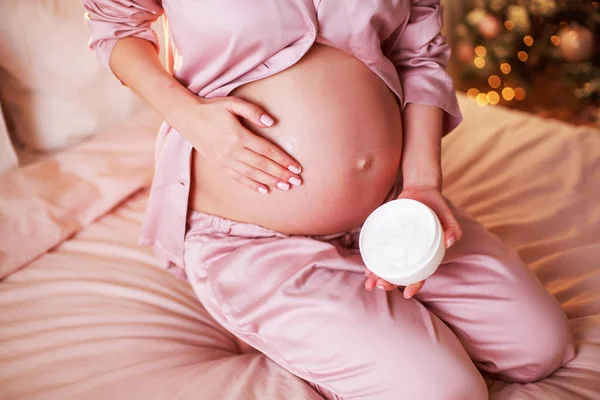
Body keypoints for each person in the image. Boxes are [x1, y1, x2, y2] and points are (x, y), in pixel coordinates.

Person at [81, 1, 575, 398]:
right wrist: (190, 116)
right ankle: (271, 312)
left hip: (389, 213)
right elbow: (117, 26)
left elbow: (419, 53)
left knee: (539, 347)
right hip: (252, 240)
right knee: (444, 391)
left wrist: (422, 185)